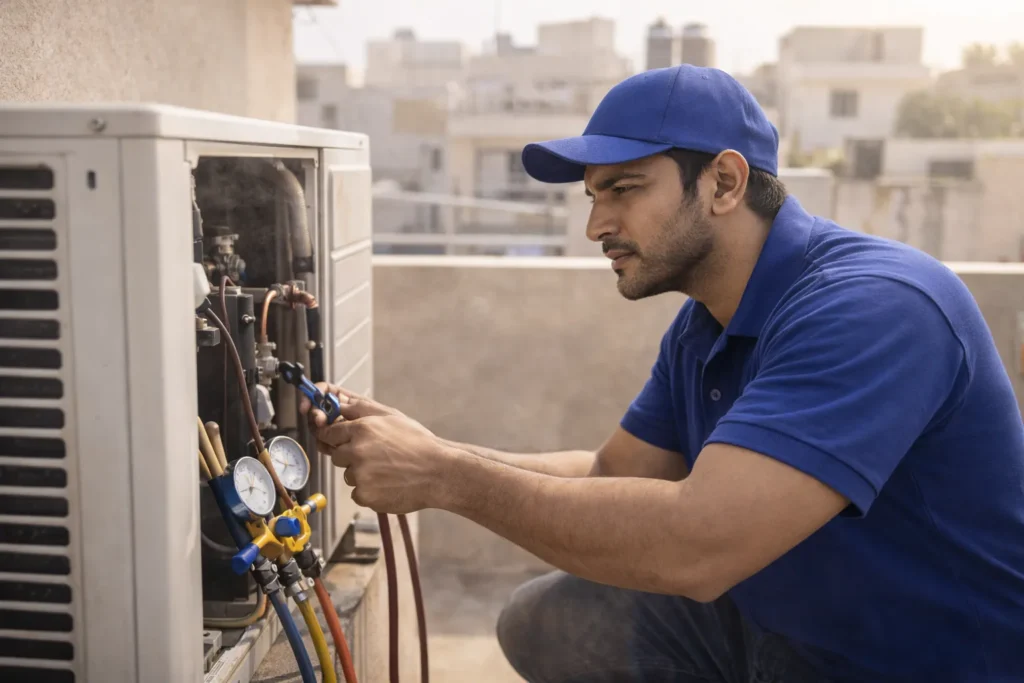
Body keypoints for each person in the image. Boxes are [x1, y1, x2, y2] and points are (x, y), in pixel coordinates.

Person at [301, 65, 1024, 683]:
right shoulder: (708, 321)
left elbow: (698, 545)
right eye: (594, 195)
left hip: (925, 659)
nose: (596, 225)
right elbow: (615, 472)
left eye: (624, 189)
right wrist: (435, 452)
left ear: (725, 182)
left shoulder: (875, 307)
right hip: (793, 632)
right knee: (548, 619)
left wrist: (446, 478)